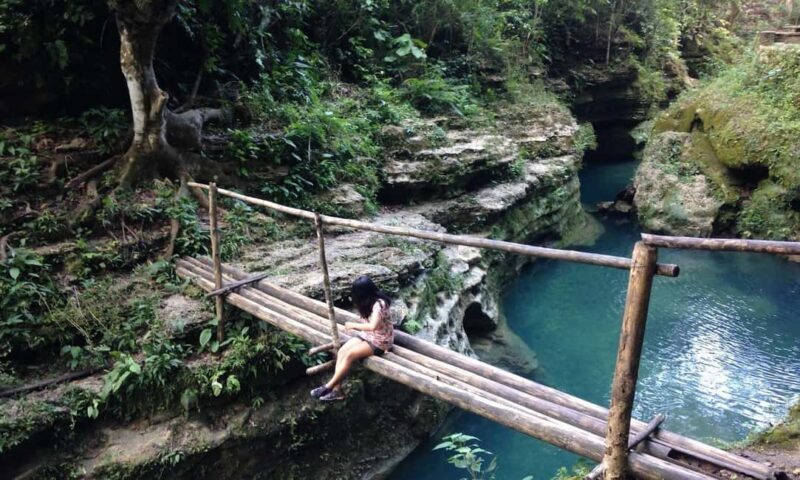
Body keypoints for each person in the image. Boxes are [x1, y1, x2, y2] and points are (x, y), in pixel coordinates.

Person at [310, 275, 393, 402]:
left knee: (350, 355)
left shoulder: (379, 304)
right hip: (368, 336)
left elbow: (373, 326)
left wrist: (353, 325)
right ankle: (337, 391)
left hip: (380, 341)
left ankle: (328, 386)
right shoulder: (369, 302)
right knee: (342, 351)